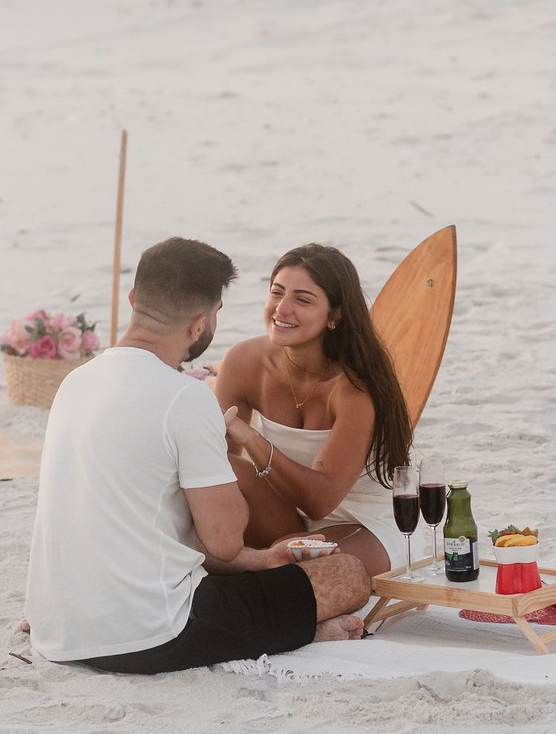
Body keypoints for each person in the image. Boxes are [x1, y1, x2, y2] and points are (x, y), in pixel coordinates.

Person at [24, 237, 371, 673]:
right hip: (151, 635)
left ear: (133, 298)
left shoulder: (75, 383)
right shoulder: (185, 398)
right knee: (348, 575)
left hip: (59, 630)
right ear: (201, 323)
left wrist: (262, 559)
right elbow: (223, 542)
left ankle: (296, 629)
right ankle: (300, 632)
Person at [214, 243, 412, 576]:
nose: (282, 309)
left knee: (291, 565)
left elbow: (320, 502)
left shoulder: (354, 389)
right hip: (285, 511)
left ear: (334, 316)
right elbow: (217, 467)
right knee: (218, 472)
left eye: (302, 300)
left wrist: (252, 439)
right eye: (277, 292)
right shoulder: (243, 362)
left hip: (363, 521)